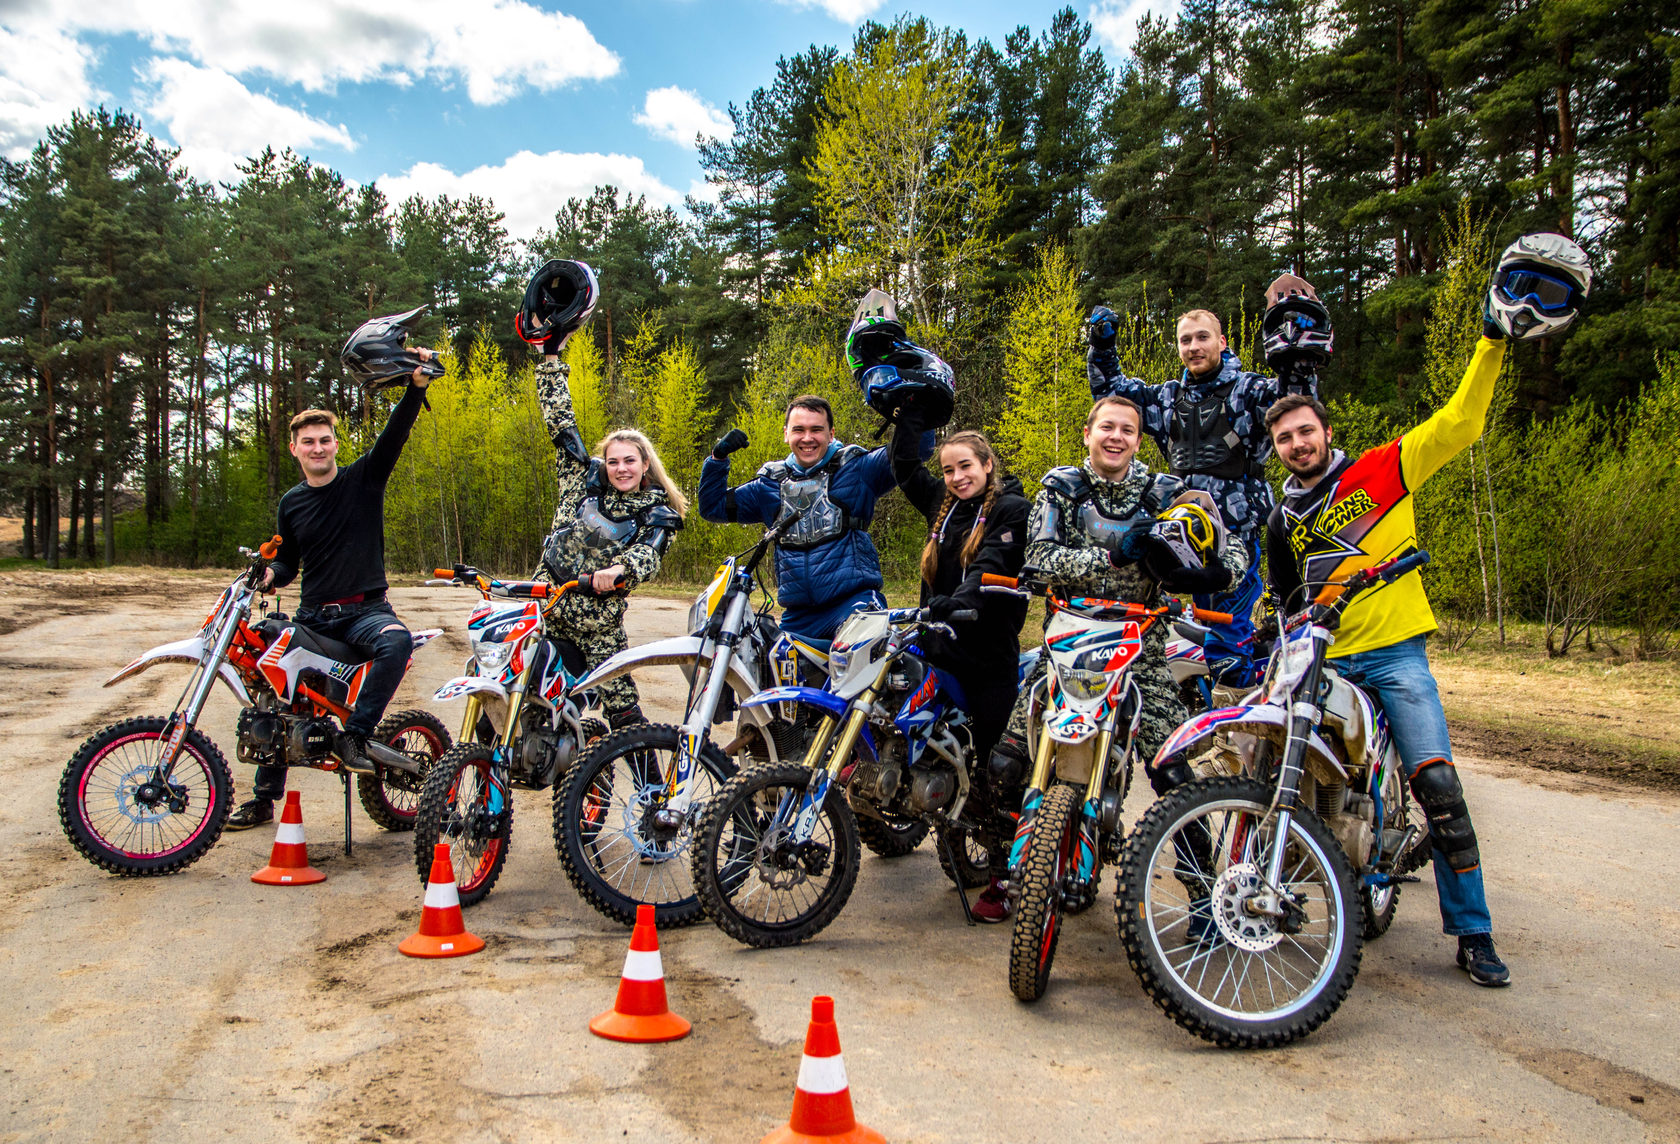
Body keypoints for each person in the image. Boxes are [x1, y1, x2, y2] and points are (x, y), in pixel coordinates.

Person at [1262, 231, 1592, 987]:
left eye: (1305, 431)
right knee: (1292, 779)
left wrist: (1491, 341)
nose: (1296, 444)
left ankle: (1473, 933)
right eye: (1284, 439)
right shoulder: (1281, 521)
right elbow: (1285, 604)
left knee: (1439, 789)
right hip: (1329, 663)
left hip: (1397, 654)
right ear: (1275, 448)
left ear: (1325, 432)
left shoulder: (1384, 469)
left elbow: (1461, 423)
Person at [992, 395, 1249, 808]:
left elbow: (1230, 544)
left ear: (1139, 440)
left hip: (1140, 648)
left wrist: (1218, 573)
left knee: (1174, 771)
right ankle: (1016, 854)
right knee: (1006, 763)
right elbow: (1037, 560)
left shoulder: (1168, 492)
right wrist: (1111, 558)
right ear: (1087, 434)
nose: (1116, 437)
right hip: (1066, 642)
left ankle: (1194, 865)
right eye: (1107, 427)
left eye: (1127, 430)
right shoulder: (1060, 490)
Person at [227, 328, 437, 830]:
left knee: (397, 644)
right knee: (273, 686)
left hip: (367, 612)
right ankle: (262, 799)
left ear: (335, 445)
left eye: (325, 440)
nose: (317, 447)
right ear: (296, 450)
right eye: (308, 442)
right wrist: (268, 577)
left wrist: (416, 387)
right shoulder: (291, 503)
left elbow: (396, 434)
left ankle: (357, 737)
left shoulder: (363, 479)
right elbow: (289, 563)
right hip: (314, 615)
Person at [1086, 275, 1329, 684]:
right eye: (1185, 340)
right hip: (1180, 528)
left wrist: (1298, 354)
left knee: (1228, 636)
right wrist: (1102, 347)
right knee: (1159, 624)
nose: (1194, 347)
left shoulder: (1249, 390)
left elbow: (1297, 403)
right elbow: (1111, 395)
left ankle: (1240, 724)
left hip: (1236, 532)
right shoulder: (1167, 398)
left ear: (1221, 342)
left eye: (1202, 337)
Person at [521, 260, 684, 730]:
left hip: (597, 627)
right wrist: (550, 358)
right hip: (544, 607)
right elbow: (561, 426)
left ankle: (657, 794)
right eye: (613, 460)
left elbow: (648, 558)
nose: (620, 468)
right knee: (510, 694)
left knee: (624, 714)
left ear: (645, 464)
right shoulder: (582, 479)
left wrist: (617, 571)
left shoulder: (658, 510)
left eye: (630, 461)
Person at [891, 409, 1031, 921]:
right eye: (949, 469)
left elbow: (994, 567)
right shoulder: (942, 507)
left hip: (988, 654)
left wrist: (957, 602)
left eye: (966, 466)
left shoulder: (1012, 509)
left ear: (988, 464)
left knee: (996, 768)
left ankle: (1005, 876)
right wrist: (907, 414)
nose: (957, 477)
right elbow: (905, 466)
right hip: (940, 646)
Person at [698, 396, 931, 641]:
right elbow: (713, 507)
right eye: (799, 430)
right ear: (786, 434)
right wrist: (717, 458)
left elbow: (918, 448)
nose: (807, 438)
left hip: (853, 607)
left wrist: (911, 403)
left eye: (816, 430)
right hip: (797, 617)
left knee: (860, 669)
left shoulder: (859, 469)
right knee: (768, 672)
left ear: (831, 434)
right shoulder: (768, 486)